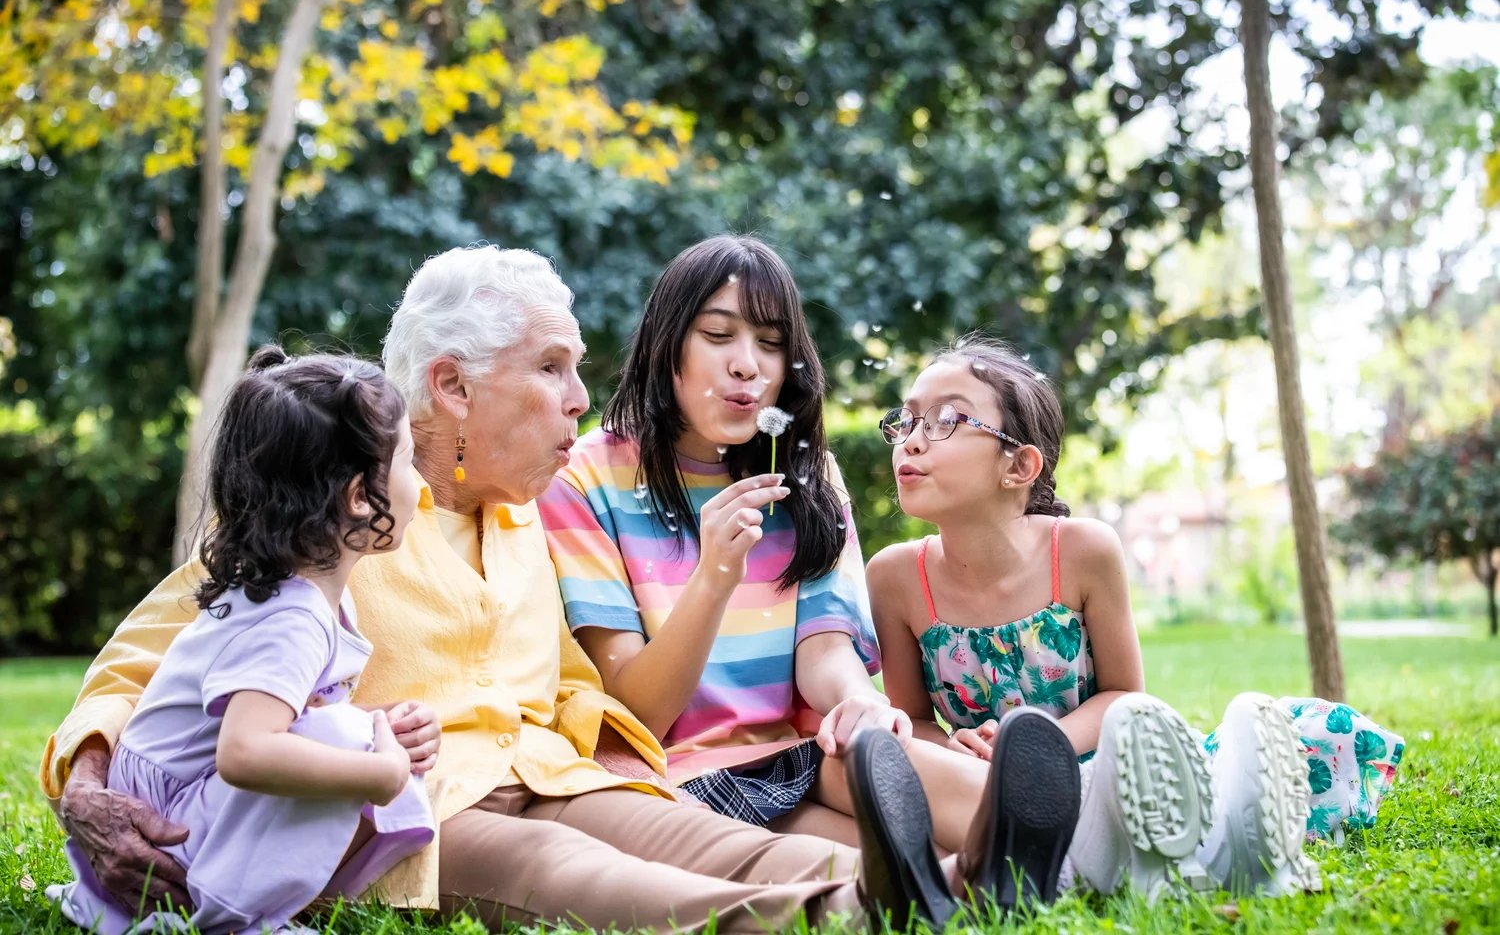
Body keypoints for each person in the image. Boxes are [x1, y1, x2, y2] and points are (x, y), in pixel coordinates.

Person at [38, 245, 1025, 932]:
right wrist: (87, 791)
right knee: (584, 880)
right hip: (421, 814)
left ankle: (948, 879)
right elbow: (142, 663)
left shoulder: (523, 523)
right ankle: (847, 912)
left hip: (556, 774)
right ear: (455, 388)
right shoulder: (326, 518)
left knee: (695, 837)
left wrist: (646, 760)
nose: (579, 399)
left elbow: (578, 693)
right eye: (551, 368)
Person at [538, 235, 1083, 907]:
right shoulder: (584, 479)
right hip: (683, 779)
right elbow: (639, 709)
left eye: (769, 344)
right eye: (718, 335)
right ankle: (1013, 877)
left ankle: (1098, 846)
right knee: (890, 875)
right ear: (666, 343)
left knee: (958, 793)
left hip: (805, 750)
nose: (747, 366)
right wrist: (714, 575)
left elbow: (822, 649)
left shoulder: (804, 474)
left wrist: (857, 699)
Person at [867, 336, 1405, 897]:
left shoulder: (1082, 551)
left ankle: (1211, 825)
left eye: (946, 419)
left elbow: (1125, 697)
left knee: (1299, 739)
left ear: (1019, 465)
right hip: (988, 784)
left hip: (1112, 765)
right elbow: (914, 723)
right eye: (904, 422)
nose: (911, 442)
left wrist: (1036, 744)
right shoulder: (895, 578)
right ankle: (1211, 841)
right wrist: (962, 751)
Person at [48, 348, 435, 934]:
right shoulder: (294, 616)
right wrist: (380, 773)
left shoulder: (292, 589)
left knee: (355, 732)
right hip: (166, 833)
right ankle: (231, 918)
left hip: (179, 804)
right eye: (407, 462)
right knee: (349, 740)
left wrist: (380, 728)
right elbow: (246, 752)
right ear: (359, 496)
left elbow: (275, 715)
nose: (420, 481)